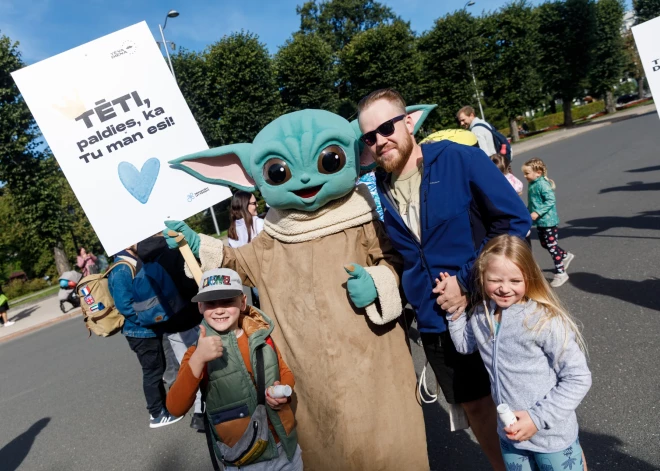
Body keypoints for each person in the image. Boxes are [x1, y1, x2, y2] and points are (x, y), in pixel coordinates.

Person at [358, 88, 532, 471]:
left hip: (493, 308)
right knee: (477, 408)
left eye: (386, 127)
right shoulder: (377, 191)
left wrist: (471, 281)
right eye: (369, 136)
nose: (379, 141)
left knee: (528, 401)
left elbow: (514, 222)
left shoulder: (458, 158)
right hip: (437, 324)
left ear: (408, 122)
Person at [447, 235, 591, 471]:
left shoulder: (543, 320)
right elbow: (465, 345)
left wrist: (537, 419)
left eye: (515, 280)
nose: (504, 288)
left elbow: (578, 377)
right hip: (509, 435)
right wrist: (454, 309)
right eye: (495, 280)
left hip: (551, 436)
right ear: (482, 278)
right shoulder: (481, 315)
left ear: (529, 277)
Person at [167, 268, 302, 470]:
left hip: (286, 448)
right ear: (200, 307)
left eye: (228, 301)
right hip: (244, 458)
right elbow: (175, 407)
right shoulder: (197, 352)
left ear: (243, 302)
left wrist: (283, 389)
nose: (219, 309)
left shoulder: (262, 337)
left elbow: (284, 372)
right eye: (211, 303)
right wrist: (198, 359)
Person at [108, 246, 183, 429]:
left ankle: (162, 409)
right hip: (140, 331)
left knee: (157, 369)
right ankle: (156, 414)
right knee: (152, 372)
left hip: (144, 329)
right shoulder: (122, 268)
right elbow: (124, 305)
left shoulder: (131, 263)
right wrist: (148, 318)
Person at [521, 158, 575, 287]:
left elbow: (550, 200)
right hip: (540, 221)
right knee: (545, 244)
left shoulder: (542, 184)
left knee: (551, 246)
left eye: (527, 173)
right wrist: (528, 213)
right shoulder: (533, 183)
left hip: (548, 221)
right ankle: (565, 255)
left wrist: (538, 212)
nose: (525, 176)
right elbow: (534, 203)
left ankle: (561, 273)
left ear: (538, 172)